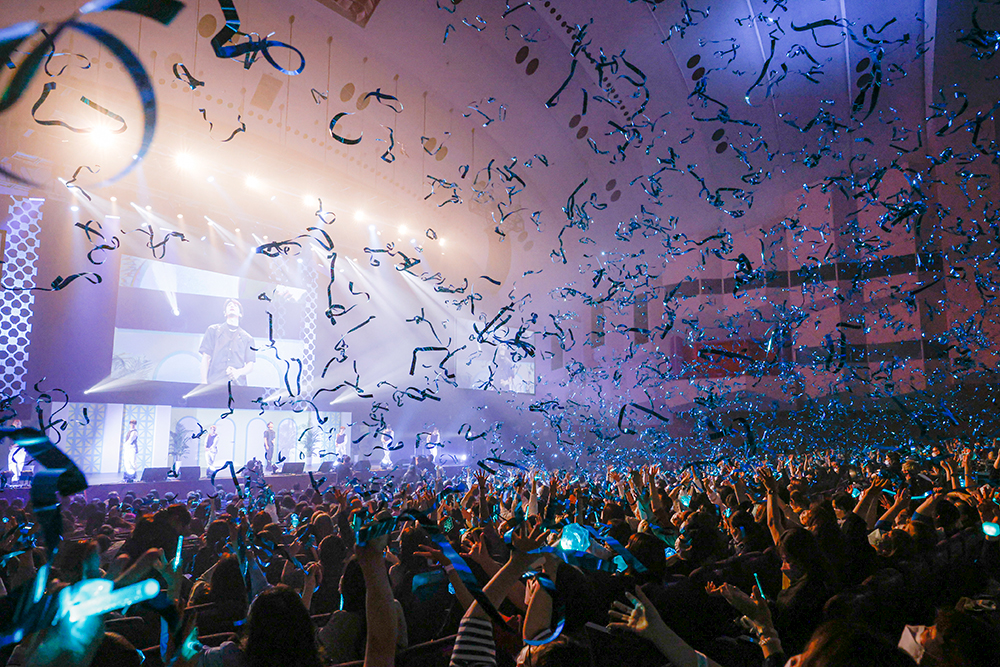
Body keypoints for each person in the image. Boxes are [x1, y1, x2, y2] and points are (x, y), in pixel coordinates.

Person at [199, 298, 255, 385]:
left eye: (235, 305)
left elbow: (250, 364)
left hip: (238, 385)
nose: (232, 306)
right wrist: (204, 382)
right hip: (214, 383)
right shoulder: (213, 330)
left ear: (240, 314)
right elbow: (206, 357)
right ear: (225, 313)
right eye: (229, 305)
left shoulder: (248, 338)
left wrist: (238, 372)